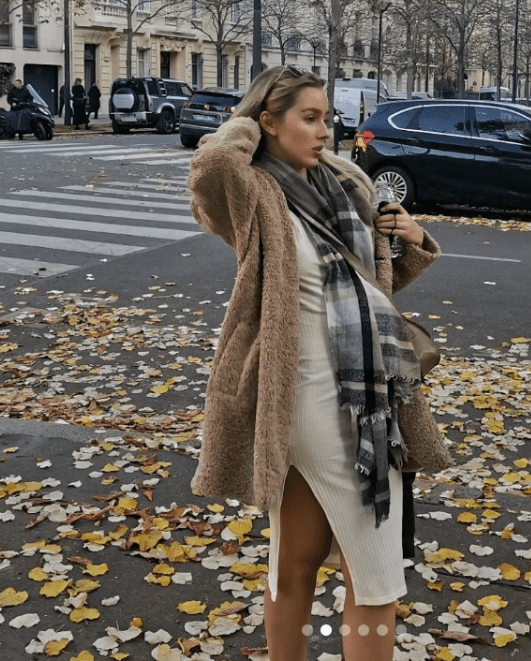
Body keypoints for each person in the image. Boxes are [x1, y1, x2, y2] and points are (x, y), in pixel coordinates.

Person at [188, 66, 451, 661]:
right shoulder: (256, 195)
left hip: (352, 388)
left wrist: (408, 240)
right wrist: (241, 128)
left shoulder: (343, 188)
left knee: (296, 562)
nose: (324, 132)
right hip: (322, 401)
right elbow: (209, 169)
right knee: (378, 579)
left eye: (327, 118)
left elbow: (372, 293)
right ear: (267, 125)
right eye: (308, 119)